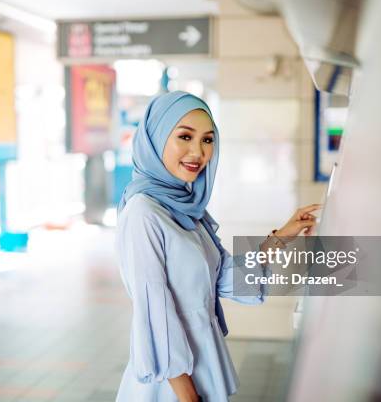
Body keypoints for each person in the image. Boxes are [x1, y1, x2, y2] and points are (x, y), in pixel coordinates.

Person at [115, 91, 320, 402]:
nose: (198, 152)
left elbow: (221, 277)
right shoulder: (143, 212)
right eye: (185, 137)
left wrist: (280, 238)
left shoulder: (185, 209)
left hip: (200, 368)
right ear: (155, 138)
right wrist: (188, 397)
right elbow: (154, 312)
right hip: (171, 384)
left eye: (208, 140)